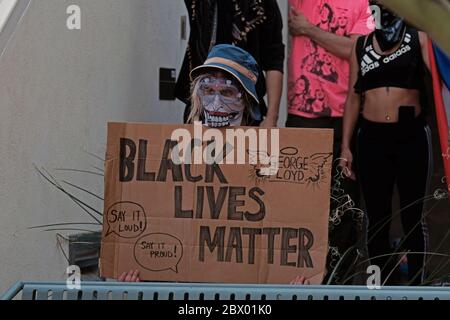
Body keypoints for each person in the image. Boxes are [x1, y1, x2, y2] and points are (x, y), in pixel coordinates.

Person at [119, 45, 310, 285]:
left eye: (228, 93)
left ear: (248, 102)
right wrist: (142, 282)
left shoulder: (272, 161)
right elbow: (164, 226)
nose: (215, 103)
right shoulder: (177, 156)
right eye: (207, 90)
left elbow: (282, 232)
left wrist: (290, 286)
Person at [339, 2, 431, 285]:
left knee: (413, 215)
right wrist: (346, 145)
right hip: (372, 138)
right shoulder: (361, 45)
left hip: (411, 136)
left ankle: (417, 285)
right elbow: (354, 98)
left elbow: (440, 83)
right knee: (376, 217)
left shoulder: (420, 38)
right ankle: (377, 285)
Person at [287, 0, 374, 284]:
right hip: (303, 115)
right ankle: (295, 279)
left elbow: (356, 51)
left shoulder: (359, 3)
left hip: (346, 116)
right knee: (298, 203)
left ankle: (341, 283)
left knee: (344, 206)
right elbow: (347, 46)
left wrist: (309, 30)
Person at [176, 0, 285, 127]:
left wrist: (271, 117)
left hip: (243, 104)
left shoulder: (263, 4)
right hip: (203, 99)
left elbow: (274, 59)